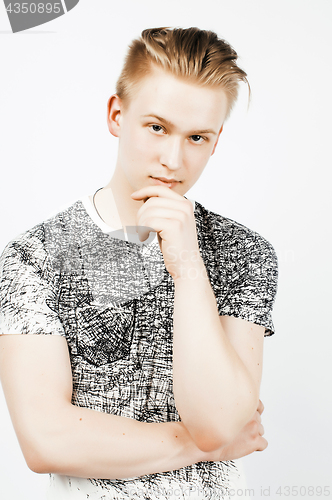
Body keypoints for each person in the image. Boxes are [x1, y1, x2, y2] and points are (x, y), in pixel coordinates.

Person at [0, 27, 278, 500]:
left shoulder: (243, 252)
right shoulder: (36, 255)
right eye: (157, 127)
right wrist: (201, 447)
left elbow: (215, 421)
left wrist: (188, 263)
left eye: (196, 137)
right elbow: (46, 440)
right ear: (116, 115)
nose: (173, 159)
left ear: (216, 143)